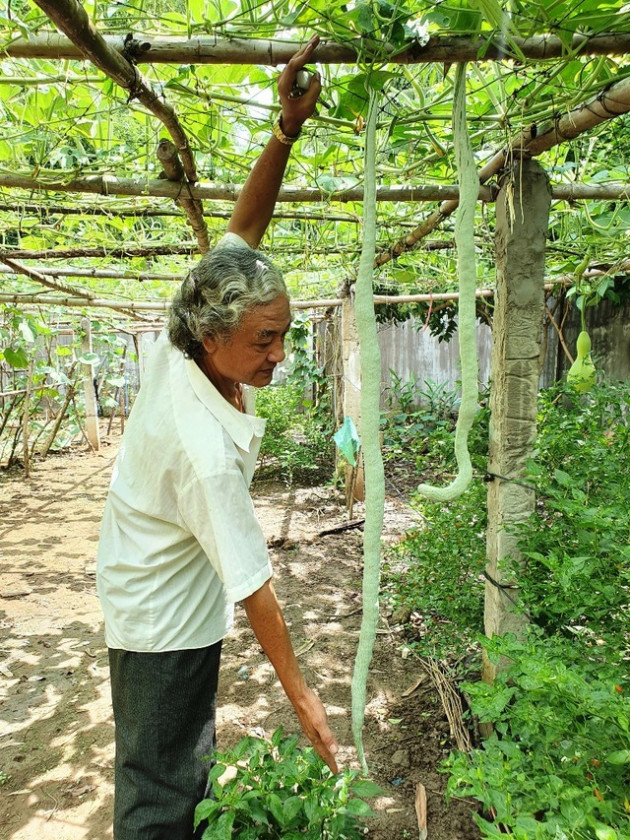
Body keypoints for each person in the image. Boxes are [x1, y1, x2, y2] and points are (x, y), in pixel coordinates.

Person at [96, 35, 339, 840]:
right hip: (162, 622)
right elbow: (254, 586)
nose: (279, 355)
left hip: (161, 579)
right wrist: (304, 698)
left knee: (179, 769)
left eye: (285, 335)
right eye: (264, 341)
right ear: (214, 335)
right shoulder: (202, 449)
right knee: (161, 791)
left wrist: (284, 132)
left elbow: (243, 226)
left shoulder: (189, 331)